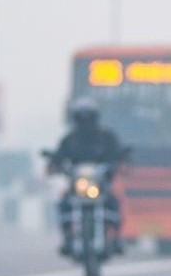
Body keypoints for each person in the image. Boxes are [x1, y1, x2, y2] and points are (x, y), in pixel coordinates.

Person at [46, 97, 127, 256]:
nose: (85, 123)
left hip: (101, 185)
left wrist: (119, 162)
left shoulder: (106, 138)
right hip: (76, 186)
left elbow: (118, 154)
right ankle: (67, 239)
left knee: (114, 203)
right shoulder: (69, 140)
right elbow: (58, 158)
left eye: (88, 118)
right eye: (81, 118)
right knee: (63, 205)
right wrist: (55, 165)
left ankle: (116, 238)